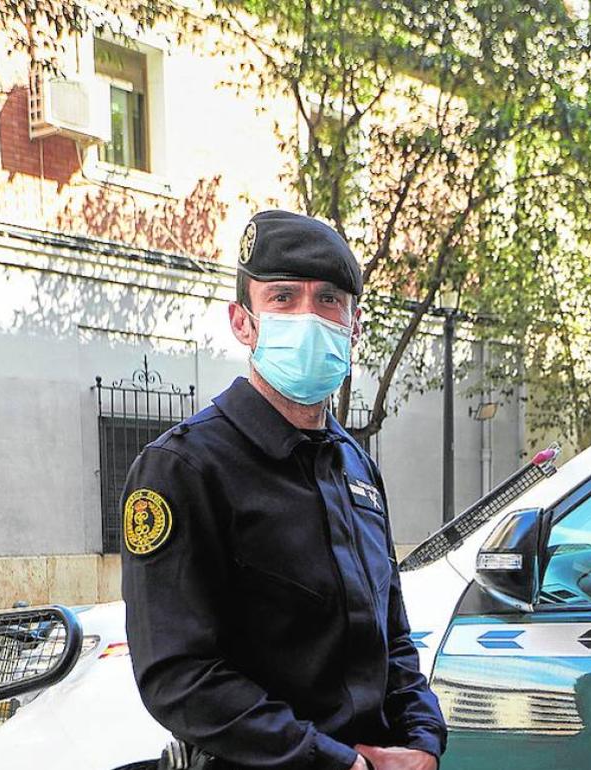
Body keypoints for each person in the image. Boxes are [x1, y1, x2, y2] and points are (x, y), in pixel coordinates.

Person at [121, 210, 446, 770]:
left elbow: (391, 638)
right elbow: (179, 675)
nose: (308, 316)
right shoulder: (183, 469)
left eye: (328, 301)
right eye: (283, 297)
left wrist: (421, 743)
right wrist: (334, 762)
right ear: (243, 322)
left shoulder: (356, 468)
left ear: (355, 324)